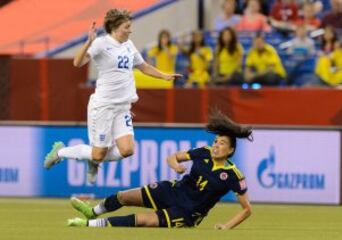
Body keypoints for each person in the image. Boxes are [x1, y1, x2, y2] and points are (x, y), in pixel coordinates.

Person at [43, 9, 182, 184]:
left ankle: (93, 159)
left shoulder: (129, 45)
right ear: (115, 28)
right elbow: (77, 62)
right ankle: (60, 152)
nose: (130, 30)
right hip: (103, 106)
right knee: (98, 153)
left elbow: (143, 66)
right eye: (127, 27)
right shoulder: (101, 43)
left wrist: (164, 76)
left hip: (123, 107)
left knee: (127, 150)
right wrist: (88, 42)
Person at [67, 110, 253, 229]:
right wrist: (176, 166)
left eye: (222, 143)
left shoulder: (233, 176)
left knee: (143, 221)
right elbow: (172, 157)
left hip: (187, 213)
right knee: (124, 196)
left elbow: (247, 209)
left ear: (231, 150)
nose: (216, 145)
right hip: (174, 191)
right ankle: (92, 212)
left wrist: (227, 227)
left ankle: (89, 224)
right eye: (215, 141)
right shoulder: (203, 152)